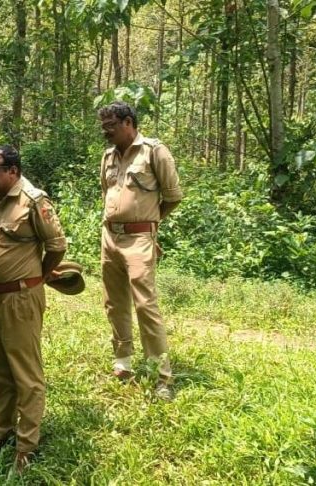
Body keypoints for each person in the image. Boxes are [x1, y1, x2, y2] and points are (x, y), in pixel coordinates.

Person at [0, 145, 66, 472]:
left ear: (12, 170)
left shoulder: (33, 200)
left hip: (20, 298)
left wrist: (37, 276)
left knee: (25, 374)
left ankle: (26, 447)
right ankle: (0, 431)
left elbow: (56, 245)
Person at [97, 101, 183, 400]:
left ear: (128, 123)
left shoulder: (154, 151)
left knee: (146, 305)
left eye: (110, 126)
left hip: (139, 239)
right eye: (103, 125)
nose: (105, 131)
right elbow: (106, 193)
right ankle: (122, 361)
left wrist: (149, 225)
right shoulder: (108, 155)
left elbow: (173, 196)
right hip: (110, 237)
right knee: (114, 302)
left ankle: (162, 376)